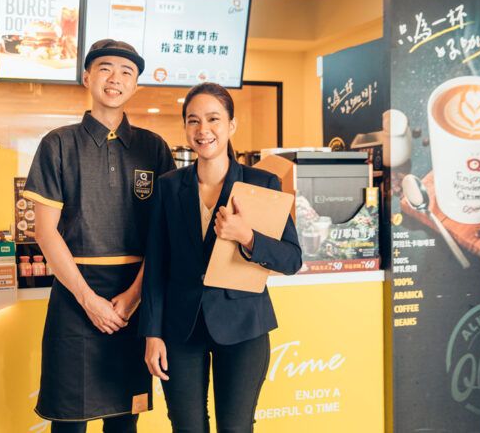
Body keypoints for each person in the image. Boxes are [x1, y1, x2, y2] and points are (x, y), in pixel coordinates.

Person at [23, 39, 176, 433]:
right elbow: (45, 231)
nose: (115, 78)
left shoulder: (153, 148)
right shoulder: (58, 144)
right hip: (75, 294)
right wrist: (88, 299)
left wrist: (134, 296)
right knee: (68, 421)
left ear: (136, 85)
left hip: (134, 296)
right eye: (105, 68)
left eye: (127, 72)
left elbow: (164, 234)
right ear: (87, 77)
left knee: (124, 420)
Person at [140, 82, 302, 433]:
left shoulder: (262, 183)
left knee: (236, 428)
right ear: (185, 128)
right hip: (180, 329)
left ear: (231, 125)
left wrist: (247, 237)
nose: (203, 130)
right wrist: (152, 333)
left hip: (244, 326)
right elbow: (156, 266)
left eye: (213, 119)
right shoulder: (169, 186)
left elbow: (291, 259)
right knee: (186, 427)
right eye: (193, 120)